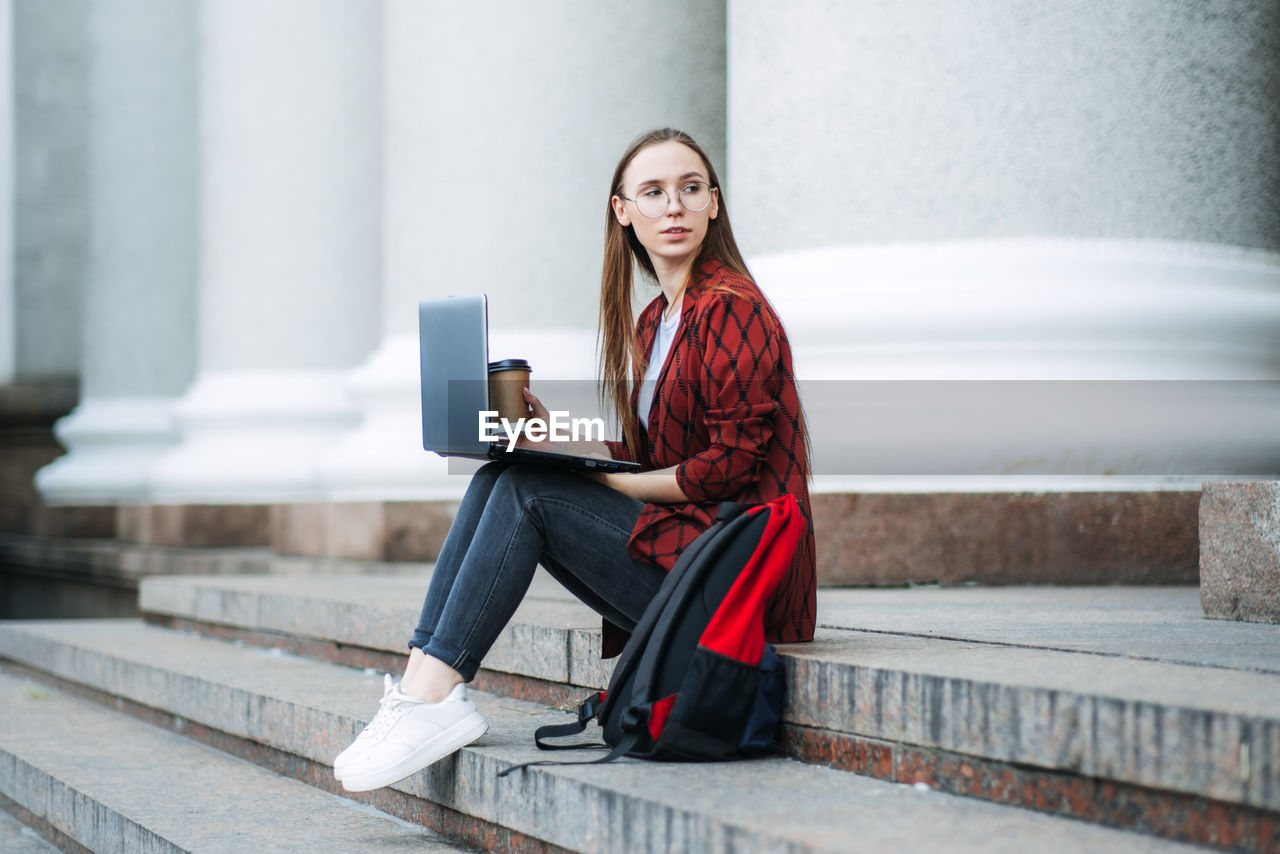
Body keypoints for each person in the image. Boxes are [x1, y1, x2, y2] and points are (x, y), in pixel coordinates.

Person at [333, 128, 815, 793]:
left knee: (527, 491)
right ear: (624, 211)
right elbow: (664, 460)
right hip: (691, 560)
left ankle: (433, 693)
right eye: (653, 192)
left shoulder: (731, 310)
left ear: (713, 205)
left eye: (690, 189)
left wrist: (600, 476)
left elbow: (727, 469)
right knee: (505, 470)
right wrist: (561, 441)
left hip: (731, 587)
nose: (673, 206)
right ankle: (423, 683)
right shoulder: (657, 321)